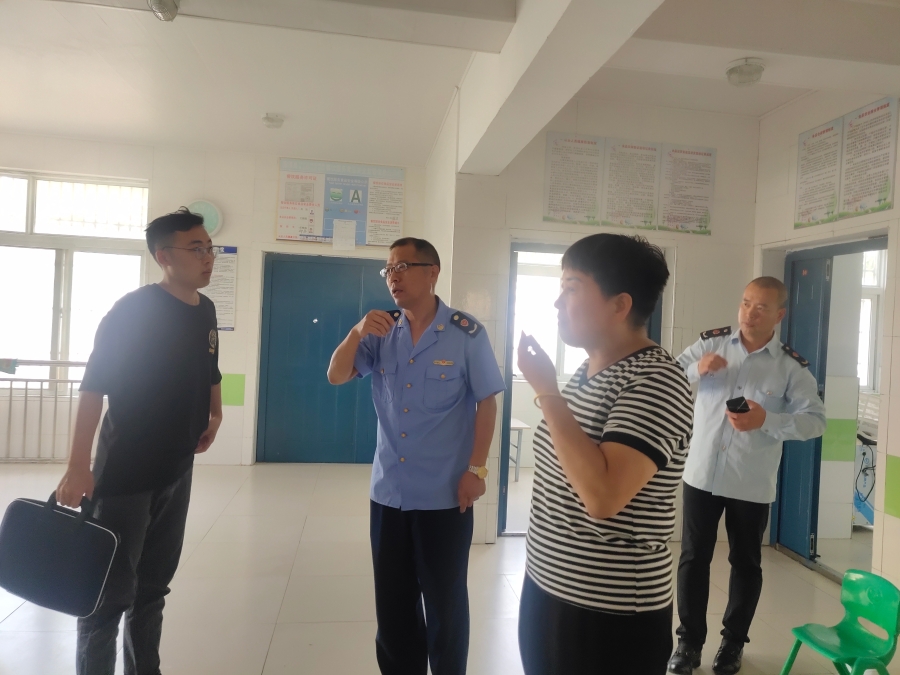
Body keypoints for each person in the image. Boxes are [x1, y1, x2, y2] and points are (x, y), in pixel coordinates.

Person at [517, 233, 694, 675]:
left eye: (571, 288)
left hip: (609, 611)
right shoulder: (589, 370)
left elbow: (602, 496)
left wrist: (546, 391)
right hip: (549, 584)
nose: (558, 303)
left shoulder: (657, 381)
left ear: (620, 305)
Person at [56, 207, 223, 675]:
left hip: (178, 470)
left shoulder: (206, 309)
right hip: (126, 474)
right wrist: (78, 466)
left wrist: (216, 412)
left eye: (210, 248)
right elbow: (95, 385)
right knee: (107, 593)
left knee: (153, 589)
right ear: (163, 256)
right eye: (197, 248)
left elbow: (211, 367)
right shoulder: (133, 311)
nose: (208, 257)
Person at [327, 237, 504, 675]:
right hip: (389, 492)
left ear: (432, 272)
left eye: (403, 266)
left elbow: (487, 402)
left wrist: (477, 469)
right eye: (388, 269)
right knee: (393, 605)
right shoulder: (380, 331)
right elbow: (336, 375)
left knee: (445, 603)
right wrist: (355, 332)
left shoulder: (466, 334)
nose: (394, 277)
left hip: (445, 495)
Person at [668, 277, 827, 675]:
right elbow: (667, 376)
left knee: (745, 562)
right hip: (702, 473)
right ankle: (688, 643)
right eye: (745, 303)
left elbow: (815, 421)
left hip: (750, 481)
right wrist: (695, 369)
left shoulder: (790, 367)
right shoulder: (711, 344)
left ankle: (733, 644)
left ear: (779, 314)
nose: (749, 313)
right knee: (693, 558)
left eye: (761, 307)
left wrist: (766, 420)